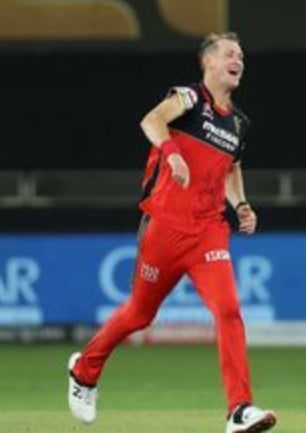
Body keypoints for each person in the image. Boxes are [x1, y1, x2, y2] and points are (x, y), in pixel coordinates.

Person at [67, 32, 277, 433]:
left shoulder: (238, 123)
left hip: (208, 232)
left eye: (241, 55)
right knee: (139, 313)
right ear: (208, 62)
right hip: (165, 226)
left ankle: (238, 410)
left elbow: (231, 168)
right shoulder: (189, 98)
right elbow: (151, 120)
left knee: (228, 310)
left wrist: (242, 206)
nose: (239, 60)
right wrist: (173, 152)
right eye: (230, 54)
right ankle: (84, 371)